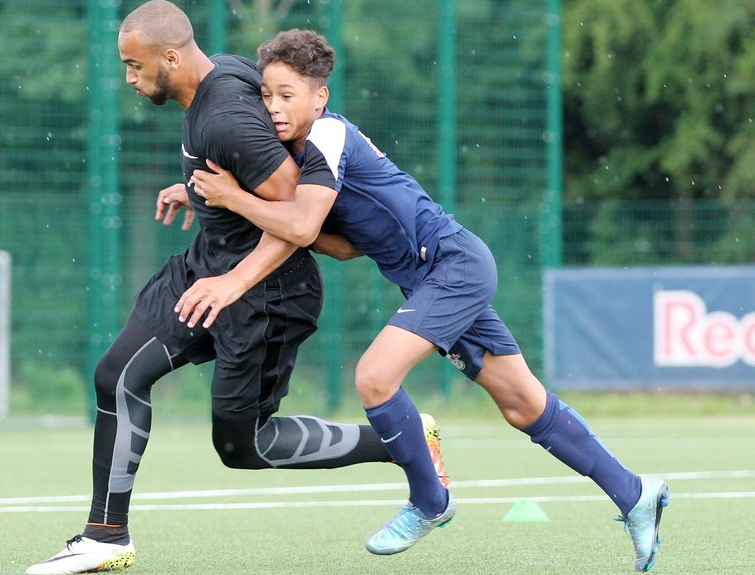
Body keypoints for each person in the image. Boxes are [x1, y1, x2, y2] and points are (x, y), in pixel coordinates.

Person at [187, 29, 670, 571]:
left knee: (373, 377)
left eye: (286, 94)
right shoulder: (295, 155)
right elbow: (341, 246)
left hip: (451, 265)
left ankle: (429, 501)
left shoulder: (327, 136)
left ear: (319, 97)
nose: (273, 107)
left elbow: (300, 225)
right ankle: (635, 493)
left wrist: (232, 198)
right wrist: (207, 197)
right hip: (433, 278)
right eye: (266, 96)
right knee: (522, 405)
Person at [24, 5, 433, 574]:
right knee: (117, 375)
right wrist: (197, 190)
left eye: (133, 66)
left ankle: (402, 441)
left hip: (266, 296)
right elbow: (258, 164)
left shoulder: (225, 118)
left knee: (245, 448)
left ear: (170, 58)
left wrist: (233, 246)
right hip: (203, 270)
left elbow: (296, 210)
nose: (129, 79)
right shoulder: (229, 74)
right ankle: (105, 534)